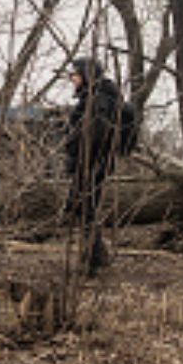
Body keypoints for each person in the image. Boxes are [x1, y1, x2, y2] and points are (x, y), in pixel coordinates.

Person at [63, 56, 124, 275]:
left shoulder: (99, 100)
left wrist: (82, 158)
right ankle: (97, 256)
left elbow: (95, 136)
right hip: (91, 164)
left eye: (76, 75)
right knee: (83, 208)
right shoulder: (95, 97)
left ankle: (92, 262)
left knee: (86, 209)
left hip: (92, 164)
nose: (73, 80)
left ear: (88, 76)